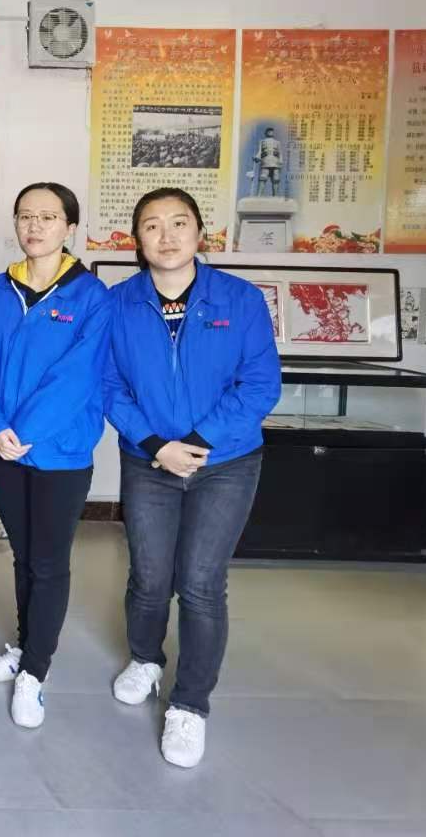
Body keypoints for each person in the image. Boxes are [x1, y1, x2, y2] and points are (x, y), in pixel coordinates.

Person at [103, 187, 280, 768]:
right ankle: (146, 659)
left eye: (179, 223)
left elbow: (260, 384)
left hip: (225, 463)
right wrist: (156, 445)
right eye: (152, 225)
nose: (167, 235)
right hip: (148, 461)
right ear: (137, 240)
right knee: (150, 577)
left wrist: (198, 444)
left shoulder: (240, 299)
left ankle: (189, 705)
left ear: (201, 233)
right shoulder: (118, 304)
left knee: (201, 583)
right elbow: (108, 385)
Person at [0, 182, 112, 730]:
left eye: (48, 217)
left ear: (69, 227)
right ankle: (25, 647)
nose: (35, 226)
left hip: (59, 450)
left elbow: (78, 377)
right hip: (3, 446)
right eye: (26, 216)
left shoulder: (91, 297)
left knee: (49, 562)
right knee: (23, 556)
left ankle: (35, 672)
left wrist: (23, 430)